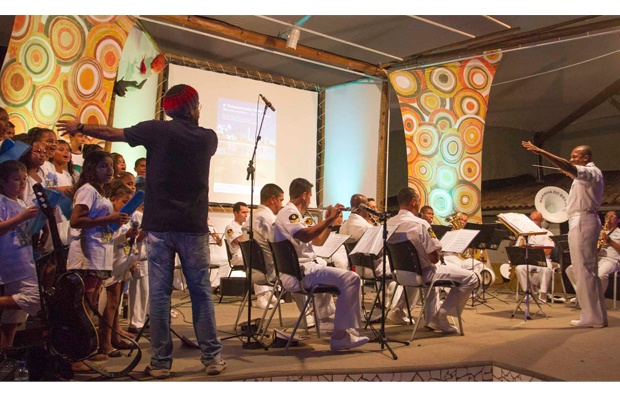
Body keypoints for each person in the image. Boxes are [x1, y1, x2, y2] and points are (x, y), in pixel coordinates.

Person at [57, 83, 225, 378]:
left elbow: (112, 133)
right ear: (193, 107)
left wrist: (80, 126)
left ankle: (161, 363)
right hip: (193, 226)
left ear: (168, 109)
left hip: (158, 226)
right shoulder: (208, 138)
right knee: (201, 293)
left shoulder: (156, 130)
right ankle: (212, 358)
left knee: (159, 296)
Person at [274, 178, 368, 351]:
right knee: (351, 278)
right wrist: (328, 219)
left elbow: (317, 241)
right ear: (304, 195)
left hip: (307, 269)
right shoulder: (288, 212)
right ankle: (341, 336)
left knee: (349, 278)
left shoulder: (295, 215)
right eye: (310, 196)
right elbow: (304, 235)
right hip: (300, 273)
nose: (310, 201)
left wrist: (330, 221)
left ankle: (341, 329)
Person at [523, 141, 606, 328]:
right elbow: (570, 170)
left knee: (584, 270)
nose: (571, 159)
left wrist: (541, 151)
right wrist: (570, 172)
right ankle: (594, 315)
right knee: (584, 270)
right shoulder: (585, 176)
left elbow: (567, 166)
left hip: (584, 221)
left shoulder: (592, 172)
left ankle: (593, 316)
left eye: (575, 156)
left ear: (586, 158)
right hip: (581, 220)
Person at [388, 187, 476, 334]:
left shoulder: (389, 223)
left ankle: (431, 319)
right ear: (414, 202)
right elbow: (434, 259)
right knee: (471, 277)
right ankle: (441, 315)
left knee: (434, 278)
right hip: (423, 275)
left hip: (400, 274)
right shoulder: (420, 224)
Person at [0, 160, 40, 347]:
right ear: (2, 181)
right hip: (10, 261)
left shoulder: (22, 202)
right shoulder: (2, 201)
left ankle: (5, 356)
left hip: (25, 258)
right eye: (16, 179)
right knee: (34, 298)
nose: (22, 183)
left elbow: (26, 231)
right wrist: (22, 217)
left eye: (24, 179)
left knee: (13, 319)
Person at [566, 211, 620, 304]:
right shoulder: (599, 231)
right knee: (570, 269)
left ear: (618, 220)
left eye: (612, 216)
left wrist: (610, 241)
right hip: (597, 258)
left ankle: (597, 299)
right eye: (607, 216)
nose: (608, 218)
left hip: (612, 260)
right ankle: (582, 295)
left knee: (601, 274)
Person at [514, 211, 555, 303]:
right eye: (531, 220)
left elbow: (548, 250)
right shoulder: (524, 234)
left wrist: (533, 250)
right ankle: (528, 292)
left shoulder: (548, 233)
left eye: (535, 220)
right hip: (528, 259)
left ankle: (543, 294)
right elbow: (518, 248)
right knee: (520, 268)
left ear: (541, 221)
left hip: (543, 258)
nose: (533, 222)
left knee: (546, 268)